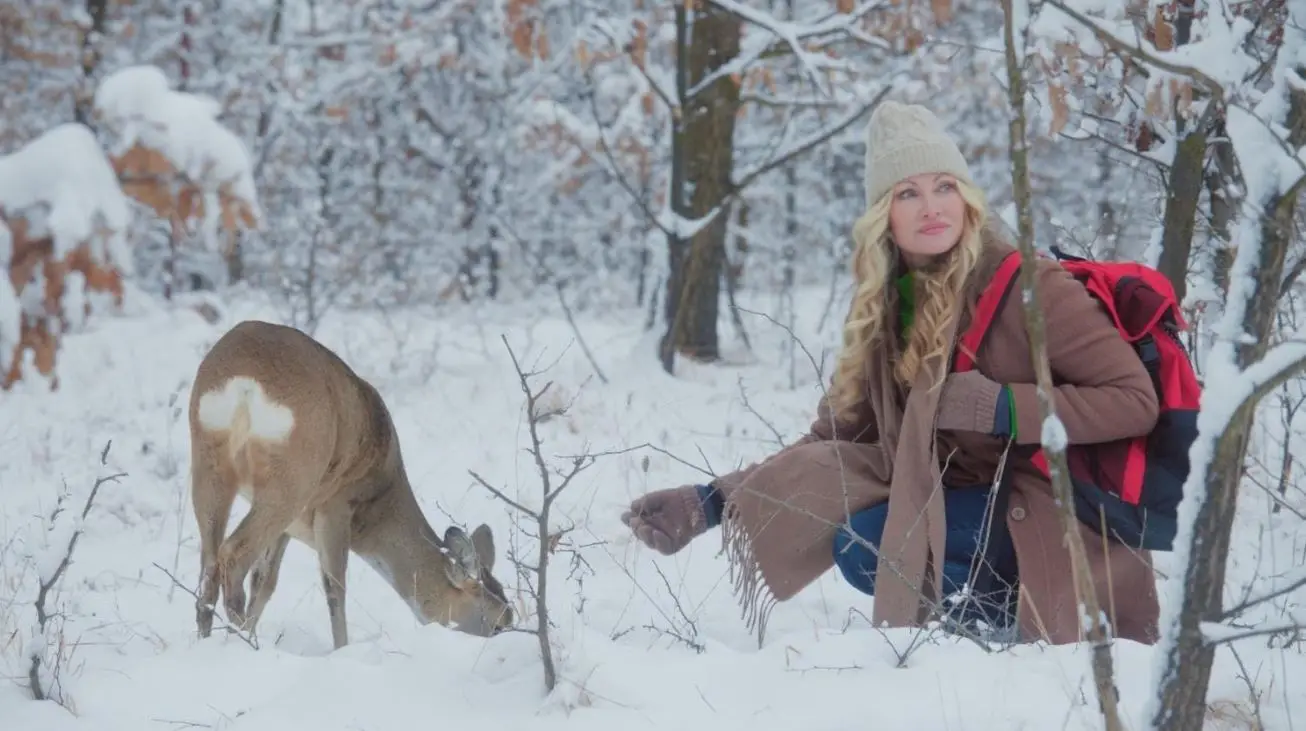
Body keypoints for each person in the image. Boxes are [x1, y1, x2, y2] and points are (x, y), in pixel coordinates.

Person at [621, 101, 1162, 645]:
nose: (932, 208)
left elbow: (1134, 400)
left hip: (1049, 511)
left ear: (967, 198)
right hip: (963, 500)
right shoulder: (884, 311)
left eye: (944, 186)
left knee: (876, 539)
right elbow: (832, 441)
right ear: (885, 214)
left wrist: (1004, 406)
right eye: (909, 193)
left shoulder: (1032, 288)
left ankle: (1017, 618)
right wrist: (711, 502)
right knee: (865, 542)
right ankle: (980, 625)